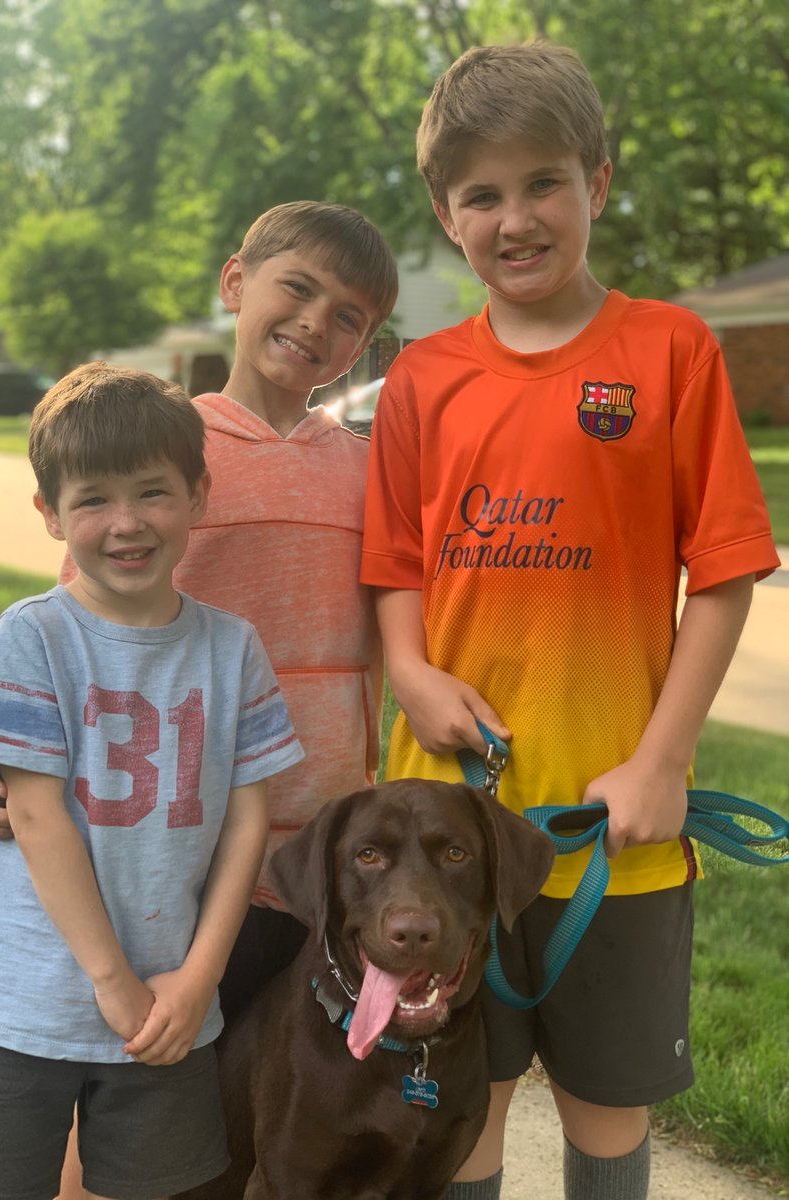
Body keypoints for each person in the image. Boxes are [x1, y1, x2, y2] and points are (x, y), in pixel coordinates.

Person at [360, 42, 779, 1200]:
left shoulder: (671, 351)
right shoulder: (422, 381)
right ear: (448, 217)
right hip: (447, 843)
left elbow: (729, 572)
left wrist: (663, 758)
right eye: (481, 195)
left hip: (616, 840)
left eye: (542, 182)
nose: (516, 217)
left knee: (605, 1112)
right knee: (463, 1120)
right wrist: (409, 670)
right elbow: (394, 562)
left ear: (596, 183)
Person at [0, 203, 398, 1196]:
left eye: (350, 317)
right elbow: (74, 620)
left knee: (258, 1114)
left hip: (318, 851)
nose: (316, 323)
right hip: (168, 844)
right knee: (130, 1081)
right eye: (298, 287)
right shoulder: (164, 448)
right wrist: (17, 772)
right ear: (235, 283)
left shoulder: (369, 468)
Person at [0, 362, 304, 1200]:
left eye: (152, 493)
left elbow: (250, 823)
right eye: (93, 499)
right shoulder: (34, 637)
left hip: (169, 1011)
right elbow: (35, 817)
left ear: (198, 496)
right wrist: (113, 983)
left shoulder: (232, 648)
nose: (126, 523)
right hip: (24, 1001)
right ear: (50, 515)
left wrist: (198, 978)